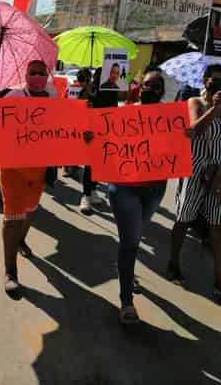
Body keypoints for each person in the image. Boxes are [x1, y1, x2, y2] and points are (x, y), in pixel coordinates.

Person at [166, 63, 221, 306]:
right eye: (213, 81)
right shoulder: (196, 103)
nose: (217, 85)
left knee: (219, 228)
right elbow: (192, 130)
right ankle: (173, 263)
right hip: (194, 174)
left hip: (219, 177)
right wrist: (213, 108)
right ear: (204, 82)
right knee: (183, 220)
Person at [107, 70, 167, 324]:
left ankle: (125, 270)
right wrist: (91, 134)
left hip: (155, 189)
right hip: (125, 189)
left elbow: (180, 146)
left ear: (162, 92)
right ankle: (126, 301)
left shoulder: (171, 119)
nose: (150, 90)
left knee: (134, 236)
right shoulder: (123, 113)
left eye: (156, 87)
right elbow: (101, 141)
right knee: (130, 242)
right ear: (138, 87)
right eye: (146, 85)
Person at [0, 60, 52, 293]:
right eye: (33, 73)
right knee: (12, 218)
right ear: (26, 75)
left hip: (39, 169)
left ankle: (21, 240)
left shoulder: (54, 99)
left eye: (42, 72)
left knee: (30, 210)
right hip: (12, 169)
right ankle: (10, 271)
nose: (38, 76)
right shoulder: (14, 97)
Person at [79, 67, 118, 214]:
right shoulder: (91, 89)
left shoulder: (112, 91)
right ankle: (86, 196)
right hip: (92, 133)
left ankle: (93, 190)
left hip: (106, 133)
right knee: (90, 165)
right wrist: (86, 104)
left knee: (99, 165)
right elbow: (77, 107)